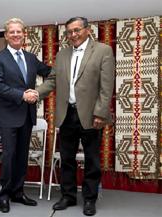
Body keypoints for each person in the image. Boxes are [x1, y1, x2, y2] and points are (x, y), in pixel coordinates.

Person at [37, 17, 115, 216]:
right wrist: (36, 93)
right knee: (67, 159)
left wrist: (100, 113)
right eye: (69, 32)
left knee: (91, 159)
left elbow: (106, 87)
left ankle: (89, 199)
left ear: (88, 30)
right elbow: (53, 80)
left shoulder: (103, 51)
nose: (73, 35)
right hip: (67, 114)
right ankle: (68, 196)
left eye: (77, 30)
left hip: (91, 115)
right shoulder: (62, 54)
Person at [0, 18, 51, 213]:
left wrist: (68, 69)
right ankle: (5, 195)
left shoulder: (31, 58)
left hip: (27, 115)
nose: (16, 35)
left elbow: (50, 72)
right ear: (6, 35)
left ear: (24, 34)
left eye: (19, 31)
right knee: (9, 156)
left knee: (22, 156)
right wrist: (22, 95)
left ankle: (18, 192)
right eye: (12, 32)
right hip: (9, 115)